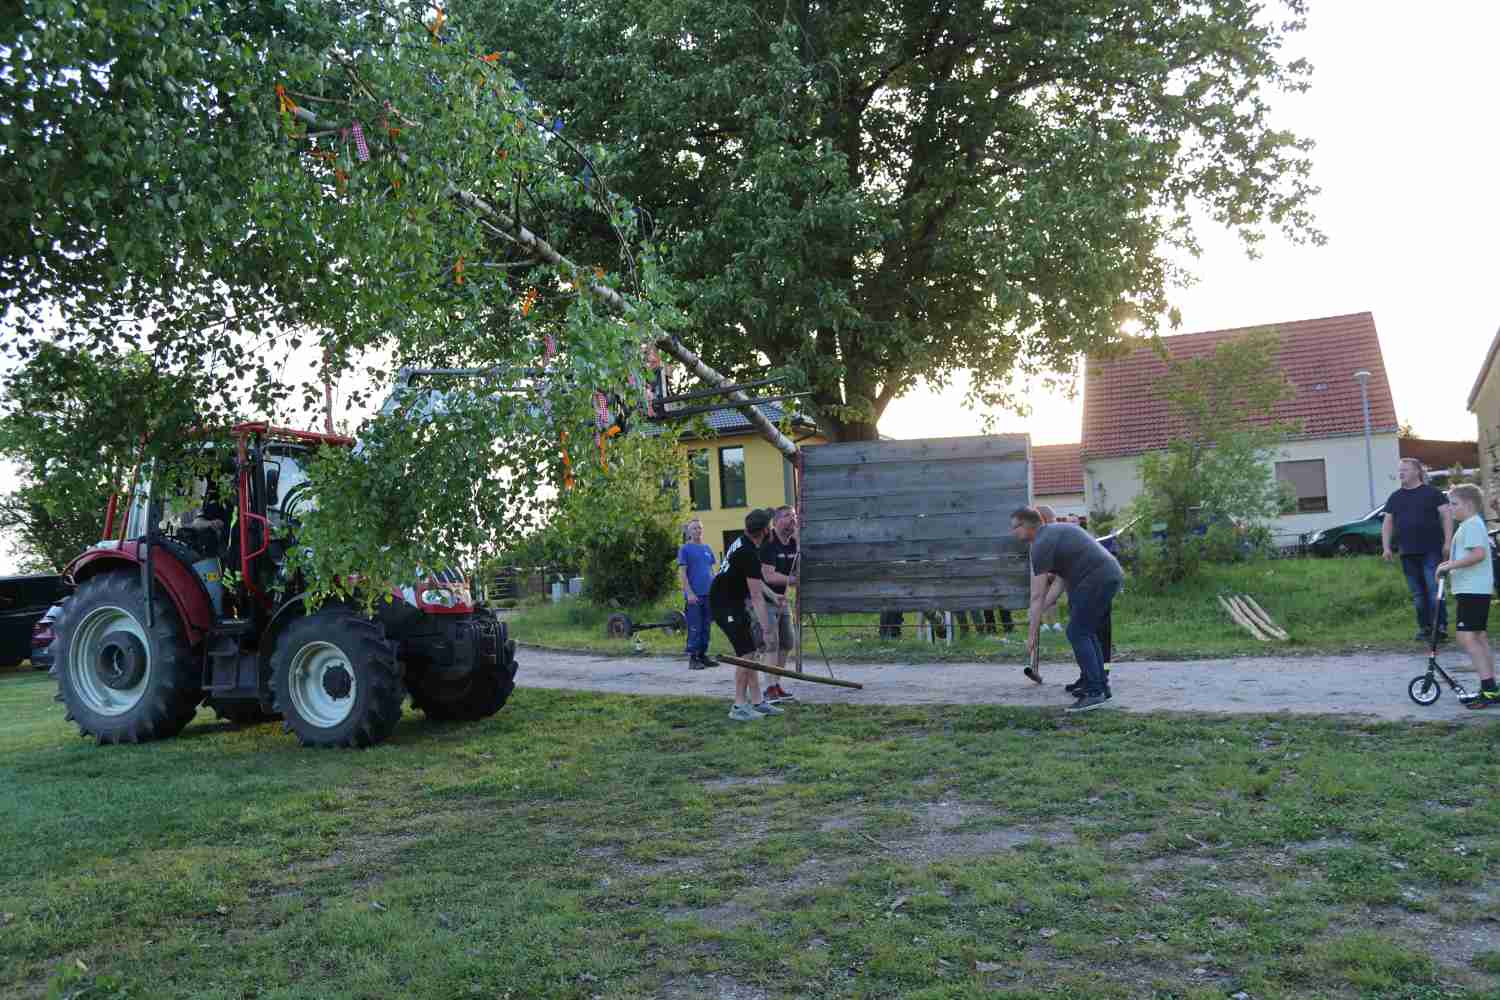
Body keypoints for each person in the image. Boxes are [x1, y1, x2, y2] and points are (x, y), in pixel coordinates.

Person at [1011, 506, 1124, 712]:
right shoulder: (1057, 532)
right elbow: (1057, 585)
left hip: (1096, 579)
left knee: (1078, 632)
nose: (1013, 532)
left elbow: (1037, 595)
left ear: (1027, 526)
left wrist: (1032, 635)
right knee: (1085, 632)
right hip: (1108, 575)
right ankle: (1101, 688)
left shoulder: (1040, 544)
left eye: (1015, 527)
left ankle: (1095, 692)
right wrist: (1040, 610)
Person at [710, 508, 782, 722]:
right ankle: (739, 706)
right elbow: (756, 596)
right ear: (765, 531)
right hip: (725, 606)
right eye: (769, 527)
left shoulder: (743, 541)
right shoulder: (748, 553)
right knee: (746, 655)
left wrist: (774, 597)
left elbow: (756, 582)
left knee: (750, 653)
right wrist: (768, 630)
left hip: (733, 603)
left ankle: (758, 702)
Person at [1437, 484, 1497, 708]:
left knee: (1467, 637)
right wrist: (1447, 565)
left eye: (1455, 504)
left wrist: (1449, 565)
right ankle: (1491, 688)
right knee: (1478, 637)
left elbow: (1478, 555)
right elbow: (1467, 555)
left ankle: (1489, 689)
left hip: (1473, 590)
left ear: (1469, 505)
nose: (1451, 509)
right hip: (1474, 589)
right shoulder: (1470, 525)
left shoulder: (1471, 524)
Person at [1383, 457, 1454, 643]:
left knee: (1433, 590)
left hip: (1431, 550)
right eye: (1399, 470)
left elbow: (1447, 516)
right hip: (1407, 552)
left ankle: (1440, 627)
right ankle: (1425, 628)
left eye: (1405, 469)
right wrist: (1386, 547)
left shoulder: (1433, 493)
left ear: (1417, 471)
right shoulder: (1395, 497)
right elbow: (1387, 523)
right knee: (1417, 594)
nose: (1401, 473)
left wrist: (1448, 542)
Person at [757, 505, 799, 703]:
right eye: (787, 516)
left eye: (794, 515)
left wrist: (798, 541)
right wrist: (791, 581)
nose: (792, 519)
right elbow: (768, 575)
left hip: (782, 600)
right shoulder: (768, 543)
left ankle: (776, 684)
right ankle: (768, 689)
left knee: (788, 643)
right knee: (771, 643)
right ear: (775, 522)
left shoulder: (793, 543)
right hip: (763, 599)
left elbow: (798, 568)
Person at [677, 518, 718, 669]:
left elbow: (711, 571)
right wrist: (689, 593)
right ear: (688, 531)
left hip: (708, 595)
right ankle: (693, 659)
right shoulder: (685, 549)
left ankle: (702, 655)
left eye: (699, 528)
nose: (697, 531)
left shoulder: (707, 548)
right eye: (694, 528)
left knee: (706, 626)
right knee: (695, 626)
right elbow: (683, 573)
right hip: (694, 596)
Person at [1032, 505, 1064, 633]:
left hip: (1055, 571)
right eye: (1053, 519)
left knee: (1052, 599)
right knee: (1042, 596)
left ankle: (1055, 623)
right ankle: (1043, 624)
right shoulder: (1040, 535)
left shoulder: (1053, 532)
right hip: (1045, 571)